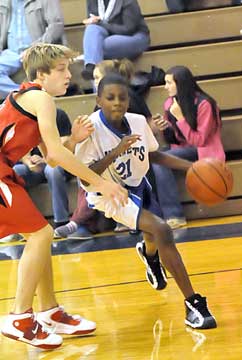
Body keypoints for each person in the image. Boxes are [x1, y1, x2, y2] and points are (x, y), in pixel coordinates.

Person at [0, 43, 128, 349]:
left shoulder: (36, 100)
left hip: (6, 172)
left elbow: (53, 158)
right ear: (41, 75)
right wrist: (103, 183)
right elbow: (56, 154)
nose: (68, 75)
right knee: (41, 234)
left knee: (39, 236)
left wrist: (74, 139)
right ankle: (19, 316)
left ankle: (49, 310)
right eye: (61, 69)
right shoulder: (39, 97)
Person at [75, 73, 217, 330]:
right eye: (110, 97)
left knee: (154, 235)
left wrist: (193, 167)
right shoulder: (91, 130)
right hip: (109, 195)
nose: (117, 102)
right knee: (162, 229)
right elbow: (86, 179)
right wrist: (117, 150)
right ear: (98, 100)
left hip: (140, 186)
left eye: (122, 97)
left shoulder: (138, 121)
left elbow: (156, 156)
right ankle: (192, 303)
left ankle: (149, 255)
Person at [55, 58, 152, 238]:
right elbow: (59, 157)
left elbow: (148, 132)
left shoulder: (130, 109)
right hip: (108, 169)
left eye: (98, 77)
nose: (95, 81)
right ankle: (79, 222)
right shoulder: (96, 116)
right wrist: (75, 139)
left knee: (157, 230)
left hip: (129, 168)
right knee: (84, 174)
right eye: (94, 78)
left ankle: (79, 222)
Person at [152, 65, 225, 229]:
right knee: (153, 157)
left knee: (161, 162)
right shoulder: (169, 103)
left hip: (204, 151)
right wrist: (165, 128)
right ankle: (158, 214)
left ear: (181, 84)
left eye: (169, 83)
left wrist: (180, 118)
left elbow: (199, 140)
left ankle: (174, 215)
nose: (165, 87)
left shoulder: (205, 103)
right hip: (182, 150)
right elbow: (175, 139)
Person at [0, 0, 66, 100]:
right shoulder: (4, 2)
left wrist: (36, 47)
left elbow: (56, 25)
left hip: (39, 51)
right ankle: (24, 95)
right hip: (10, 53)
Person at [81, 0, 150, 80]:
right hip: (108, 33)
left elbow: (128, 29)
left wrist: (101, 23)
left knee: (101, 46)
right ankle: (91, 67)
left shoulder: (128, 1)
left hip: (135, 37)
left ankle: (95, 67)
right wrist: (95, 23)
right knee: (92, 29)